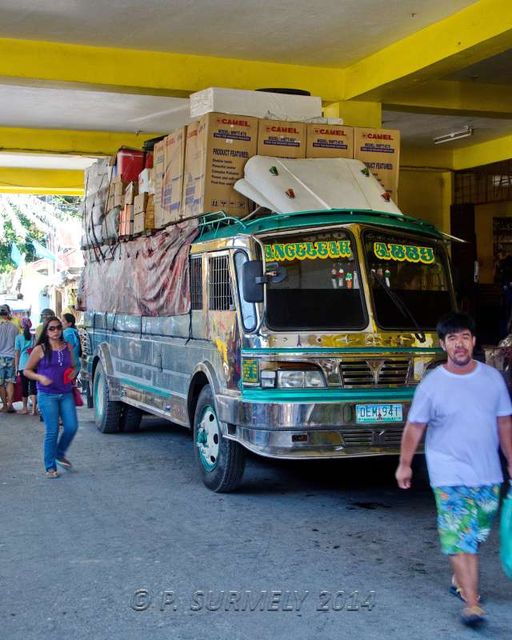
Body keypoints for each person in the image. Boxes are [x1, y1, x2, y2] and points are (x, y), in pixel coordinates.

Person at [396, 312, 512, 627]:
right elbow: (414, 426)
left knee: (474, 535)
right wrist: (405, 464)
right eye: (452, 339)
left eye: (464, 337)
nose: (459, 344)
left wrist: (511, 461)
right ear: (443, 345)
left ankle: (459, 576)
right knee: (461, 539)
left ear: (473, 342)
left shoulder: (492, 380)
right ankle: (472, 604)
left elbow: (504, 423)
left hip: (487, 474)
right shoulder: (433, 385)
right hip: (449, 474)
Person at [24, 316, 79, 479]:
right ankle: (50, 466)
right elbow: (27, 370)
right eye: (51, 328)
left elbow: (75, 366)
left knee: (71, 426)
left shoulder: (68, 347)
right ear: (46, 331)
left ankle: (59, 453)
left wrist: (73, 374)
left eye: (58, 328)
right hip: (47, 395)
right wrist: (40, 378)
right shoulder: (40, 349)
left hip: (66, 392)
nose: (55, 331)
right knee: (52, 431)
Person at [14, 317, 37, 415]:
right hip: (33, 364)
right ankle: (34, 410)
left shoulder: (18, 337)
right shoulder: (34, 337)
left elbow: (17, 353)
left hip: (23, 365)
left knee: (24, 387)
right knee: (33, 387)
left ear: (21, 325)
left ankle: (25, 408)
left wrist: (16, 367)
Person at [0, 306, 20, 413]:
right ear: (8, 314)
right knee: (10, 381)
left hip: (0, 357)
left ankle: (4, 405)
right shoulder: (15, 327)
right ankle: (10, 405)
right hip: (12, 357)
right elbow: (17, 345)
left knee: (1, 383)